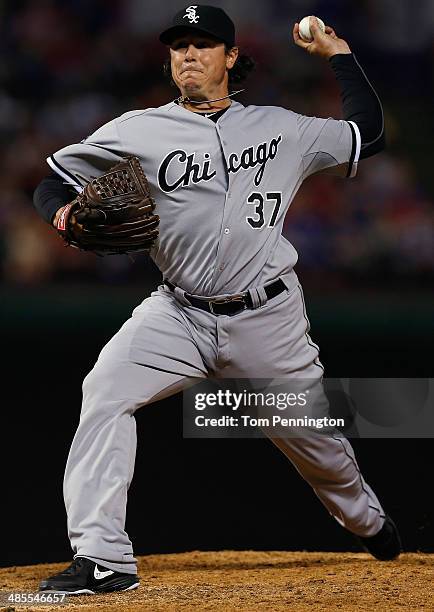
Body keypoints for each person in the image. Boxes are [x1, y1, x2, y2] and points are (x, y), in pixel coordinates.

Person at [33, 5, 401, 596]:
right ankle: (103, 560)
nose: (189, 55)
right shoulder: (137, 129)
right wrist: (63, 211)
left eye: (204, 45)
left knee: (319, 449)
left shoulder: (282, 128)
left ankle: (368, 522)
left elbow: (370, 134)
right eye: (180, 45)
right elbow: (53, 178)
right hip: (177, 313)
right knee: (104, 393)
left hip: (267, 319)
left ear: (231, 57)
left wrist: (340, 57)